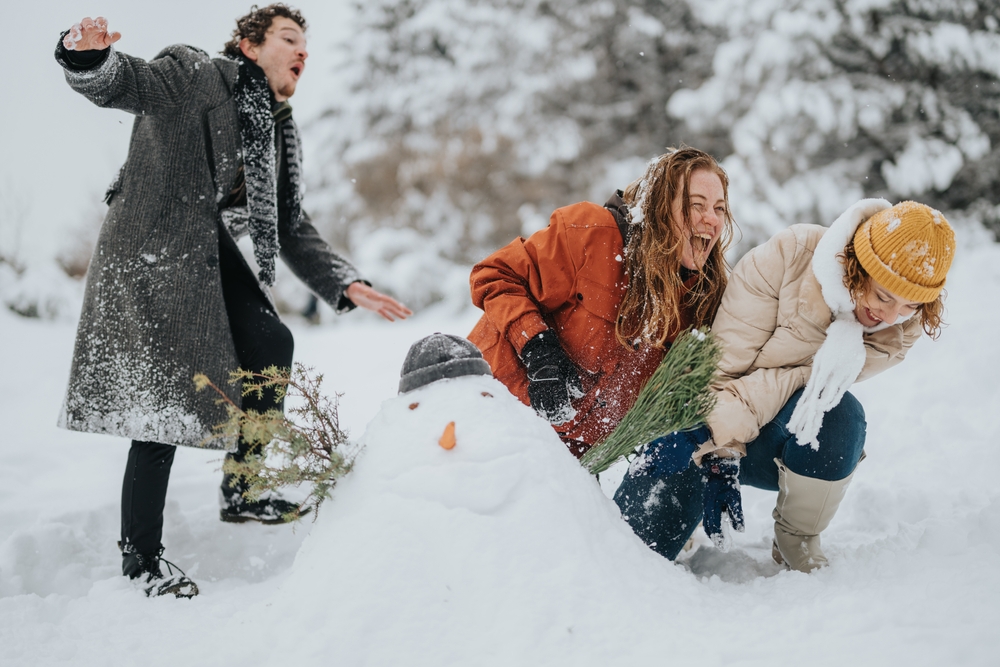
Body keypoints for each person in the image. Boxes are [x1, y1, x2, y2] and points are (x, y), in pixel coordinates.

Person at [55, 6, 411, 597]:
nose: (302, 52)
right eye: (289, 39)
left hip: (201, 244)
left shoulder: (273, 124)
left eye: (306, 45)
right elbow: (128, 82)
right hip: (154, 243)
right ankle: (140, 560)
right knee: (164, 404)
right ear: (248, 46)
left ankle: (243, 487)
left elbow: (290, 225)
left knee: (271, 341)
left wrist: (345, 283)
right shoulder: (196, 74)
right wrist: (87, 57)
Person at [614, 199, 955, 572]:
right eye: (883, 296)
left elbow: (797, 378)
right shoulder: (793, 255)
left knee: (839, 416)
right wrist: (717, 448)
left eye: (909, 306)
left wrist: (722, 434)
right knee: (629, 553)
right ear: (858, 267)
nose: (888, 316)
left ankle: (797, 537)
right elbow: (720, 370)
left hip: (765, 430)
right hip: (699, 412)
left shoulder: (898, 331)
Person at [468, 147, 733, 458]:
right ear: (660, 209)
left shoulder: (699, 300)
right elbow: (494, 274)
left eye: (719, 209)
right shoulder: (592, 235)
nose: (711, 219)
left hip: (562, 459)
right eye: (695, 206)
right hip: (485, 406)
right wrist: (538, 348)